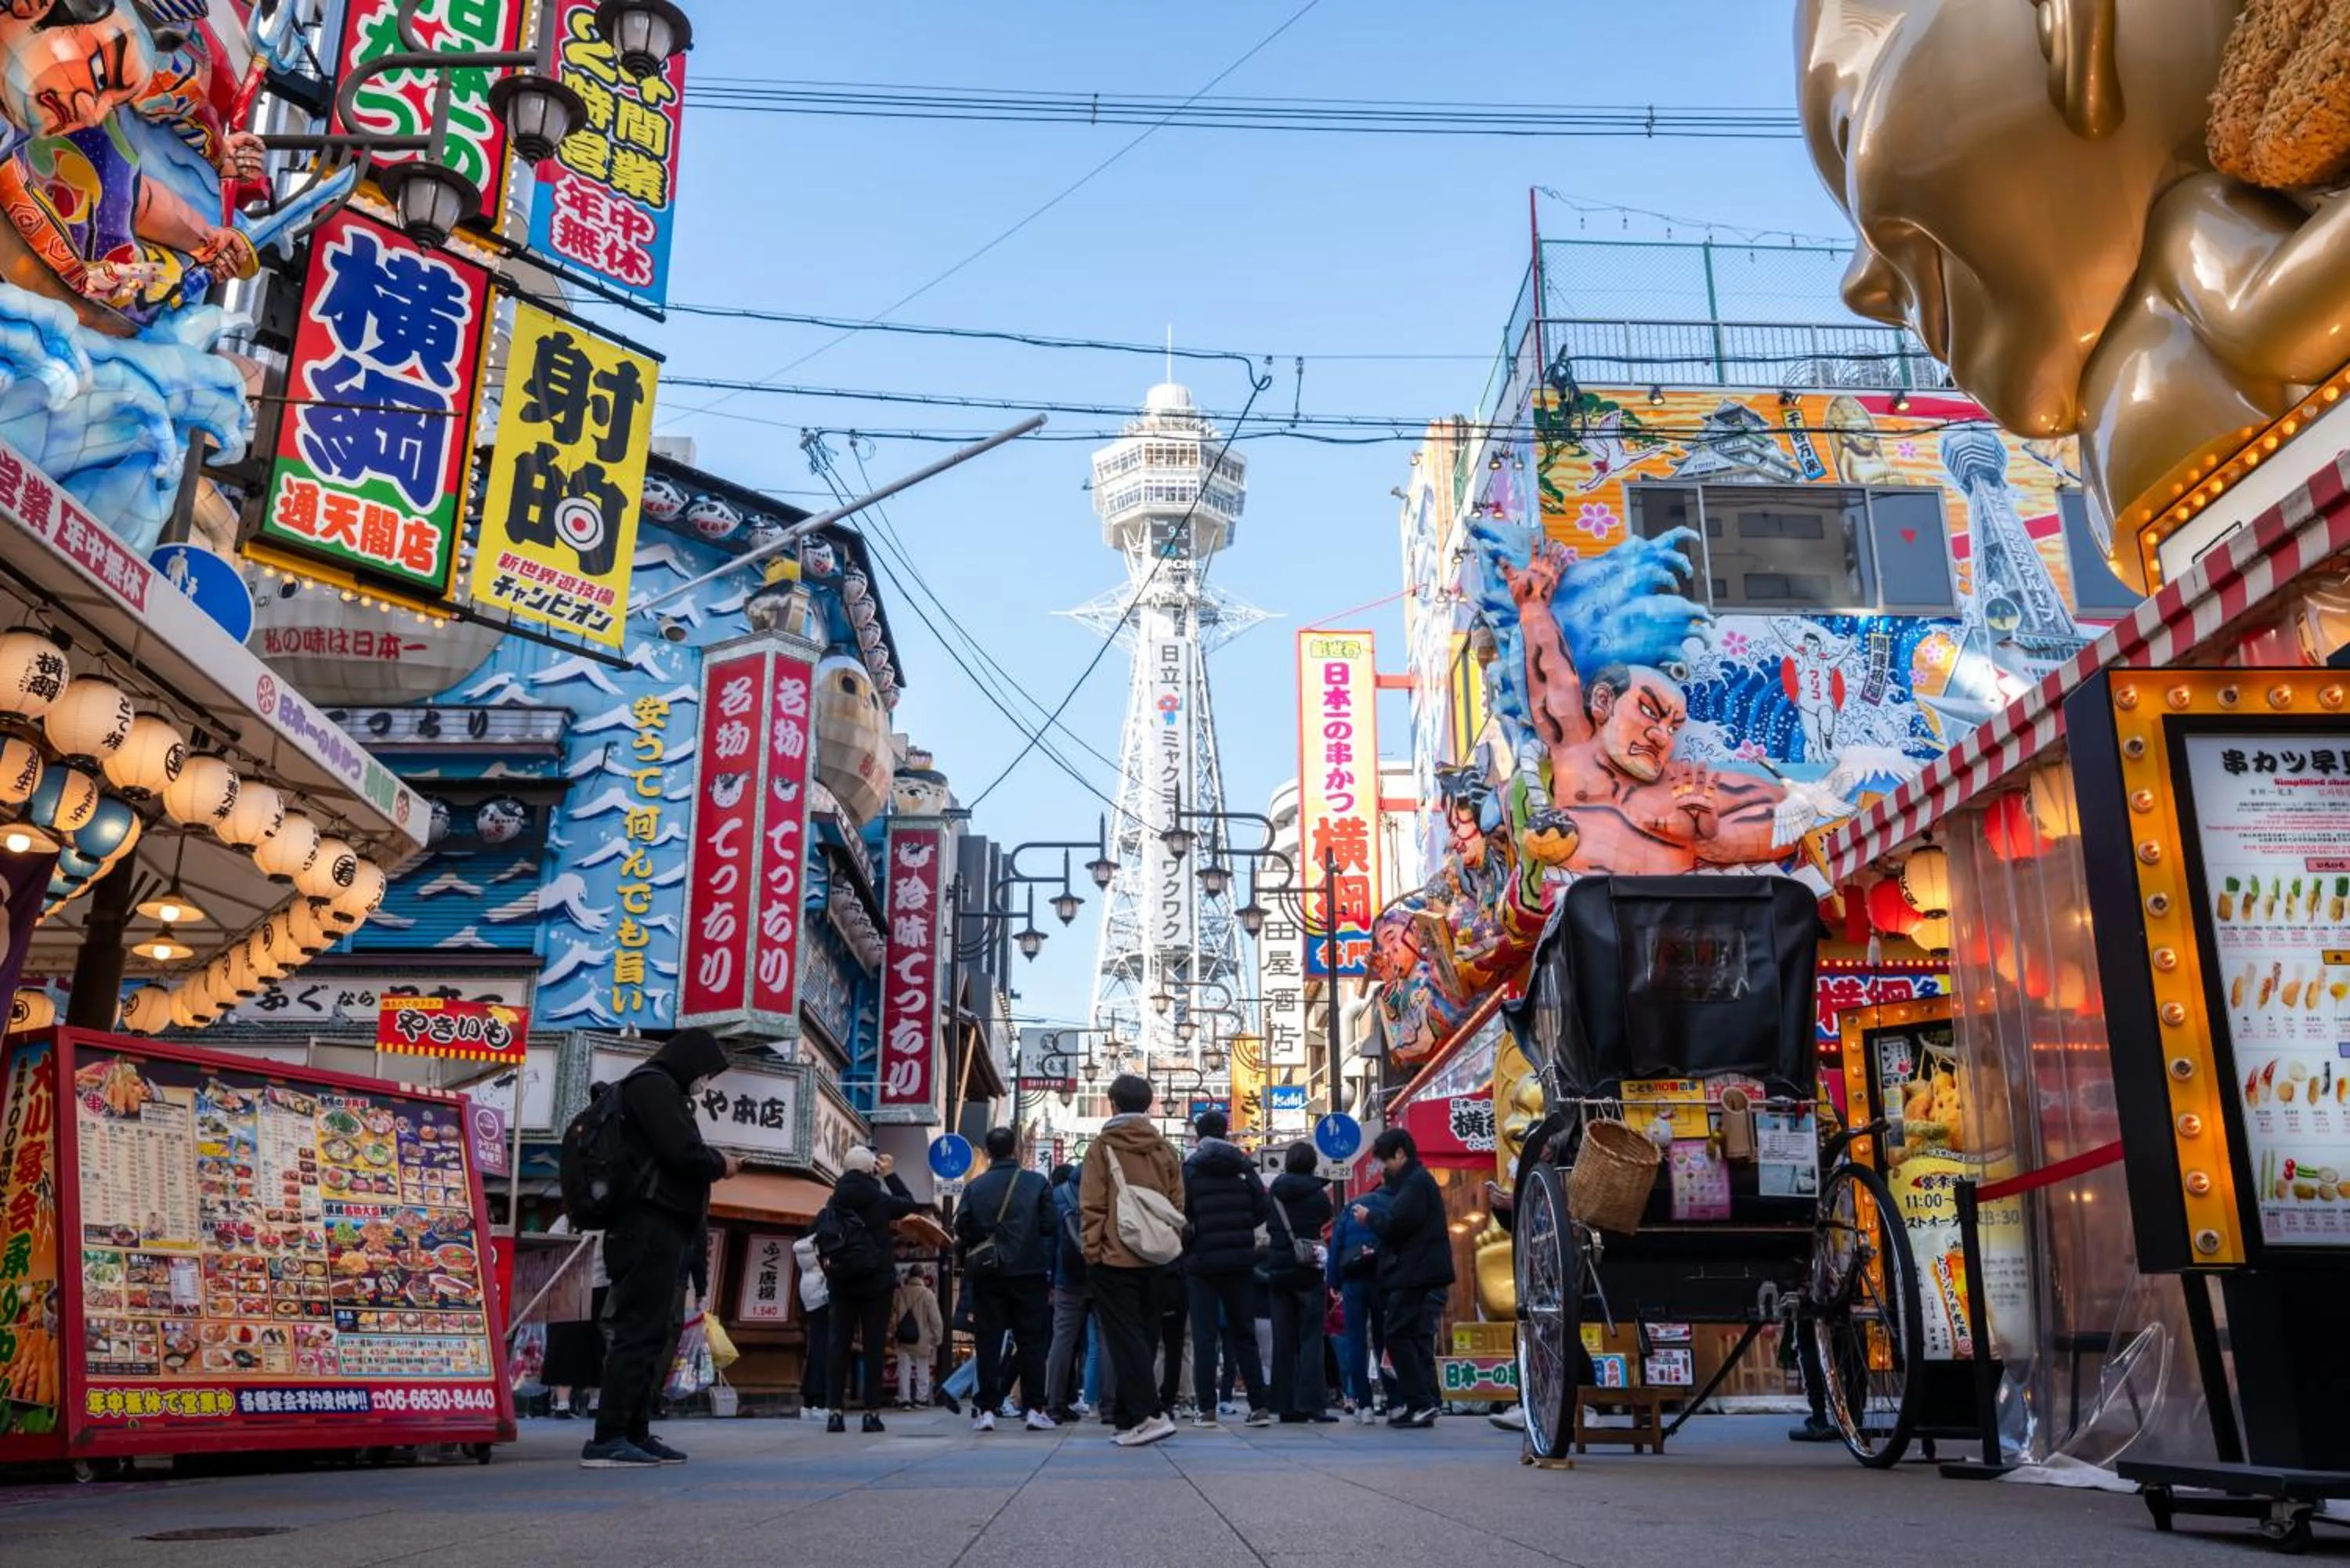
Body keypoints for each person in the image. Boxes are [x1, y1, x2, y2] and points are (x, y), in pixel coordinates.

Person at [584, 1028, 738, 1469]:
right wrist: (720, 1164)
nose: (705, 1082)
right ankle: (608, 1436)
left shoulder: (661, 1088)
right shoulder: (652, 1086)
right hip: (644, 1225)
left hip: (660, 1227)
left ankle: (635, 1431)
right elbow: (682, 1152)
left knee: (652, 1334)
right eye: (706, 1071)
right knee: (636, 1331)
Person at [1080, 1072, 1185, 1448]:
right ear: (1149, 1105)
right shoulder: (1164, 1149)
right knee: (1146, 1334)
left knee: (1124, 1338)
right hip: (1158, 1255)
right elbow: (1177, 1204)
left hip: (1114, 1257)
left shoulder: (1102, 1147)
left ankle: (1150, 1414)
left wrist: (1092, 1251)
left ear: (1114, 1103)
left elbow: (1092, 1205)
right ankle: (1127, 1419)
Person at [956, 1127, 1058, 1433]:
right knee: (1032, 1344)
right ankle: (1034, 1408)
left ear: (987, 1152)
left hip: (990, 1274)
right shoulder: (1037, 1183)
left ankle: (986, 1409)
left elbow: (963, 1227)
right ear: (1015, 1149)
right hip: (1030, 1272)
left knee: (988, 1342)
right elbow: (1050, 1225)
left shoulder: (976, 1187)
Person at [1354, 1127, 1453, 1429]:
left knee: (1398, 1334)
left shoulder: (1415, 1183)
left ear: (1400, 1153)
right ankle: (1422, 1402)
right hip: (1418, 1270)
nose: (1384, 1168)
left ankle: (1421, 1403)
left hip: (1414, 1272)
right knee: (1407, 1335)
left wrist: (1368, 1218)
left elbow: (1397, 1225)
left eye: (1386, 1160)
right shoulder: (1415, 1183)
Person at [1180, 1109, 1272, 1428]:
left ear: (1198, 1134)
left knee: (1205, 1336)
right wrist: (1241, 1226)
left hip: (1202, 1261)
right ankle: (1259, 1407)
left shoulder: (1191, 1168)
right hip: (1239, 1260)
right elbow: (1263, 1209)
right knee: (1244, 1333)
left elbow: (1182, 1211)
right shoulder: (1244, 1165)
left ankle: (1206, 1409)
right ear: (1225, 1132)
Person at [819, 1146, 918, 1434]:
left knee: (838, 1345)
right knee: (874, 1347)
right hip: (876, 1283)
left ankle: (834, 1413)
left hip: (841, 1281)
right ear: (870, 1170)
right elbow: (908, 1203)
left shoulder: (834, 1199)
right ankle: (871, 1413)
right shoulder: (879, 1198)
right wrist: (890, 1175)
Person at [1267, 1141, 1336, 1423]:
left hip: (1279, 1270)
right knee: (1311, 1339)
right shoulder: (1318, 1194)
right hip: (1308, 1269)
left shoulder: (1275, 1192)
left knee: (1283, 1339)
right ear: (1311, 1164)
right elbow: (1325, 1218)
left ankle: (1285, 1405)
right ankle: (1312, 1404)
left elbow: (1268, 1221)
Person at [1327, 1184, 1390, 1422]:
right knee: (1384, 1340)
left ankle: (1364, 1405)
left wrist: (1334, 1281)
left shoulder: (1350, 1208)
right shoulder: (1389, 1206)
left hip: (1353, 1280)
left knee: (1356, 1342)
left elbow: (1336, 1246)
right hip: (1381, 1280)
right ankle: (1393, 1399)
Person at [539, 1219, 605, 1419]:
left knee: (592, 1343)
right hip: (578, 1285)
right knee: (575, 1343)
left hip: (588, 1284)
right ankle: (569, 1402)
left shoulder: (567, 1220)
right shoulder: (567, 1221)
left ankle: (572, 1402)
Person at [1043, 1162, 1090, 1421]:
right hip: (1100, 1275)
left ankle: (1054, 1402)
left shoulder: (1058, 1195)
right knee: (1103, 1342)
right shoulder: (1105, 1191)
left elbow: (1048, 1240)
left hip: (1065, 1276)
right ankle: (1108, 1405)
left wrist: (1048, 1278)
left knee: (1061, 1340)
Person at [891, 1266, 943, 1410]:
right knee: (922, 1368)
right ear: (922, 1276)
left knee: (904, 1368)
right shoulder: (928, 1294)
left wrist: (894, 1330)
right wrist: (937, 1337)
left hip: (903, 1336)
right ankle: (921, 1399)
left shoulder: (900, 1293)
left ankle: (905, 1399)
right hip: (922, 1338)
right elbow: (935, 1319)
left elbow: (892, 1314)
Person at [794, 1231, 830, 1421]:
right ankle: (820, 1401)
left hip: (814, 1319)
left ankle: (808, 1402)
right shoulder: (818, 1277)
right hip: (823, 1317)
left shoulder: (805, 1276)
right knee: (823, 1357)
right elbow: (828, 1297)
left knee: (814, 1356)